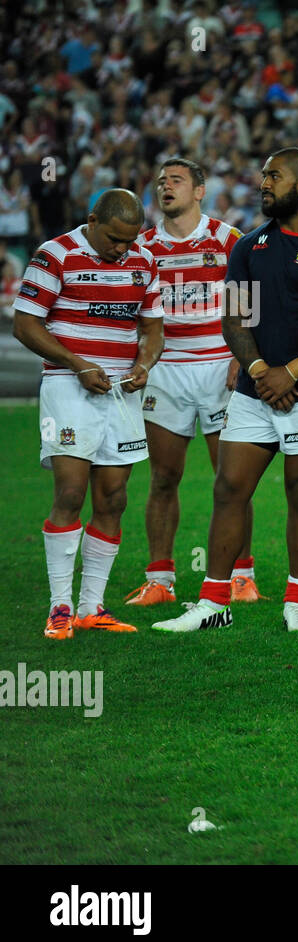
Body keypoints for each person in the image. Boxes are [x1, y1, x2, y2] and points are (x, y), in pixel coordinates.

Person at [154, 148, 298, 633]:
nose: (264, 183)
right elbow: (236, 318)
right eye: (263, 176)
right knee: (229, 488)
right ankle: (213, 602)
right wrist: (262, 370)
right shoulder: (250, 245)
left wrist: (294, 372)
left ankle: (297, 604)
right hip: (254, 390)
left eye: (274, 176)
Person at [13, 189, 163, 638]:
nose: (122, 249)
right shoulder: (54, 254)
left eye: (129, 240)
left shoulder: (144, 260)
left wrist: (144, 364)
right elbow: (25, 323)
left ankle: (92, 607)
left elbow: (153, 327)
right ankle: (60, 607)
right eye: (114, 239)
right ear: (92, 219)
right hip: (68, 386)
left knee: (114, 497)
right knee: (71, 493)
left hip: (121, 389)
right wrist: (76, 364)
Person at [125, 158, 260, 607]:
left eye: (176, 181)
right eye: (160, 181)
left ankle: (242, 576)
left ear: (199, 191)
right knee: (163, 477)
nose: (166, 187)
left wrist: (246, 354)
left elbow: (251, 300)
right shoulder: (142, 248)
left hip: (221, 367)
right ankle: (160, 579)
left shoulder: (228, 240)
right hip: (165, 372)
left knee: (232, 480)